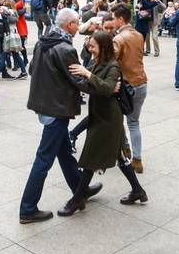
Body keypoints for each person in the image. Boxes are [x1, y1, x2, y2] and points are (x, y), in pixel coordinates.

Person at [19, 8, 102, 224]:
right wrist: (102, 85)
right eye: (77, 24)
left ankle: (79, 188)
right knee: (44, 159)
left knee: (64, 151)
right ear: (69, 25)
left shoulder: (43, 41)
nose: (79, 27)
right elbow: (77, 79)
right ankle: (28, 208)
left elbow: (31, 70)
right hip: (57, 108)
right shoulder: (65, 48)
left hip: (45, 104)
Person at [59, 30, 148, 216]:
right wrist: (88, 72)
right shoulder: (95, 61)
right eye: (89, 45)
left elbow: (107, 89)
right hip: (100, 115)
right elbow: (99, 86)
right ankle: (138, 191)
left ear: (103, 47)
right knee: (121, 158)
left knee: (90, 159)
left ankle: (76, 200)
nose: (90, 48)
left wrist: (88, 74)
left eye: (93, 46)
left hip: (108, 119)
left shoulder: (113, 66)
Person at [110, 4, 148, 172]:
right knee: (134, 122)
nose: (112, 21)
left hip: (126, 86)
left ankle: (125, 151)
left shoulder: (119, 39)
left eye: (113, 18)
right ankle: (137, 158)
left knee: (118, 121)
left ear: (120, 19)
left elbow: (111, 61)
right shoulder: (138, 35)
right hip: (141, 82)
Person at [11, 0, 30, 70]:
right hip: (20, 26)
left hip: (20, 27)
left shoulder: (19, 2)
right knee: (19, 46)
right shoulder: (19, 2)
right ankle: (24, 60)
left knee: (20, 46)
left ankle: (22, 62)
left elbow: (14, 9)